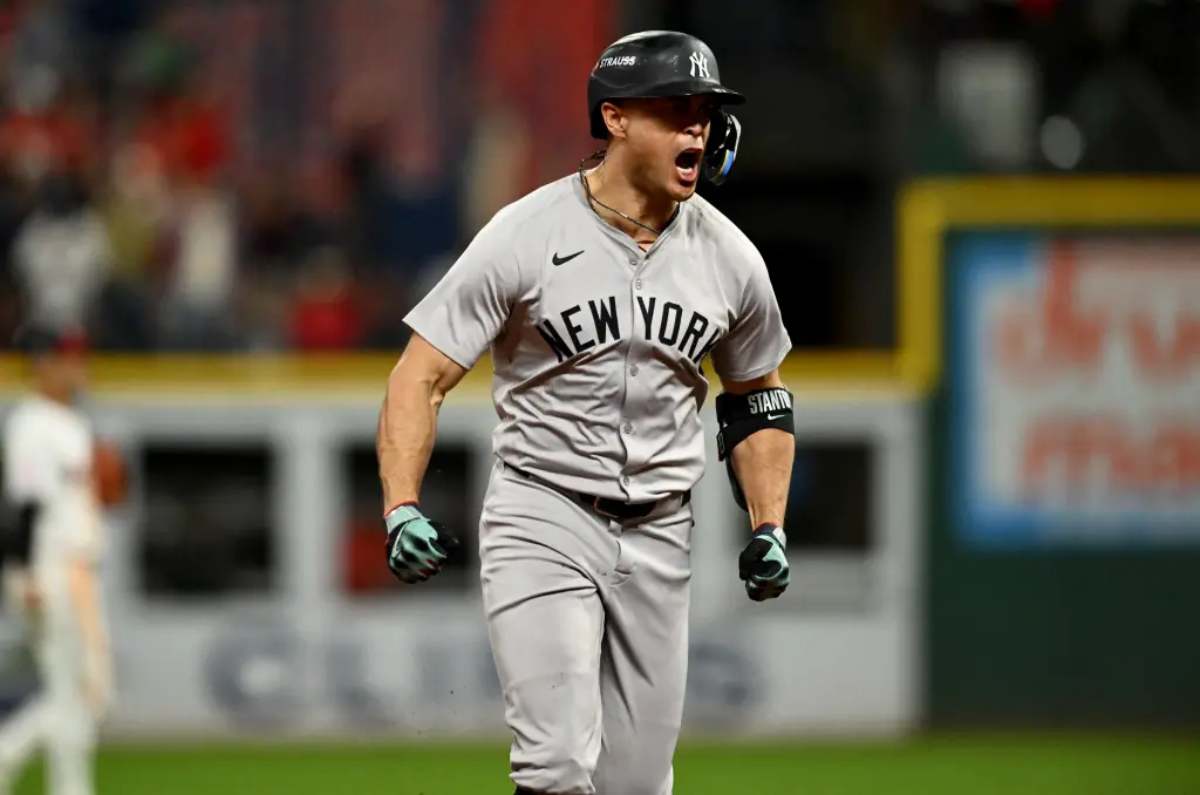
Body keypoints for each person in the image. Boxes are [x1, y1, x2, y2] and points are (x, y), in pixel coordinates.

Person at [376, 31, 794, 795]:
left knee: (636, 784)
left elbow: (757, 396)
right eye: (676, 108)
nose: (697, 125)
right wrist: (401, 504)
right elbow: (420, 375)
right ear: (616, 119)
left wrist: (769, 521)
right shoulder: (526, 234)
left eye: (704, 110)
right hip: (544, 512)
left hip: (663, 531)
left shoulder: (731, 259)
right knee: (559, 764)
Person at [0, 325, 112, 795]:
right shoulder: (31, 423)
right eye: (67, 358)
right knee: (86, 695)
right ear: (43, 364)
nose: (77, 365)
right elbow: (25, 506)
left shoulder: (69, 421)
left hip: (73, 569)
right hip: (51, 571)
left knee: (79, 698)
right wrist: (27, 574)